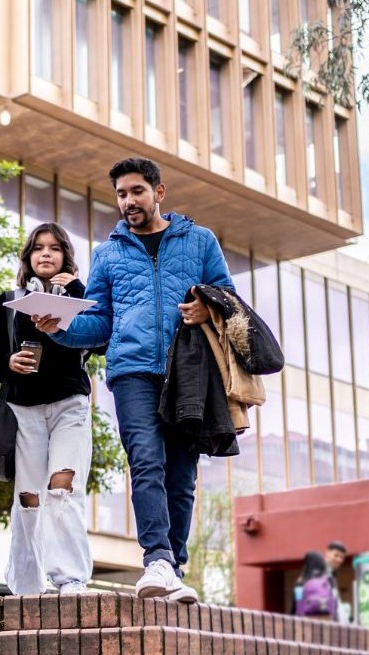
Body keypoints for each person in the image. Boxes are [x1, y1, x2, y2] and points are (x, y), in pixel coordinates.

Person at [32, 157, 234, 603]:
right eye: (121, 194)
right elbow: (100, 324)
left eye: (137, 192)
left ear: (159, 192)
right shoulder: (108, 253)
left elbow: (228, 298)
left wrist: (206, 308)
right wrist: (60, 329)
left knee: (182, 475)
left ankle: (173, 569)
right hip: (131, 372)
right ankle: (157, 558)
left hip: (188, 372)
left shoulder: (200, 242)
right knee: (146, 459)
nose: (128, 201)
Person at [0, 222, 95, 595]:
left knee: (62, 486)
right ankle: (28, 584)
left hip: (69, 403)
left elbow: (99, 341)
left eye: (54, 248)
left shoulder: (80, 295)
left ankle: (71, 578)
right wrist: (9, 363)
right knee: (29, 497)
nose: (46, 254)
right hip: (22, 408)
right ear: (28, 257)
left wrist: (76, 288)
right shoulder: (9, 299)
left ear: (65, 255)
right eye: (38, 248)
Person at [294, 550, 339, 619]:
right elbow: (335, 599)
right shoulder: (329, 579)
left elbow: (297, 603)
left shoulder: (301, 581)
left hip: (306, 621)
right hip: (327, 618)